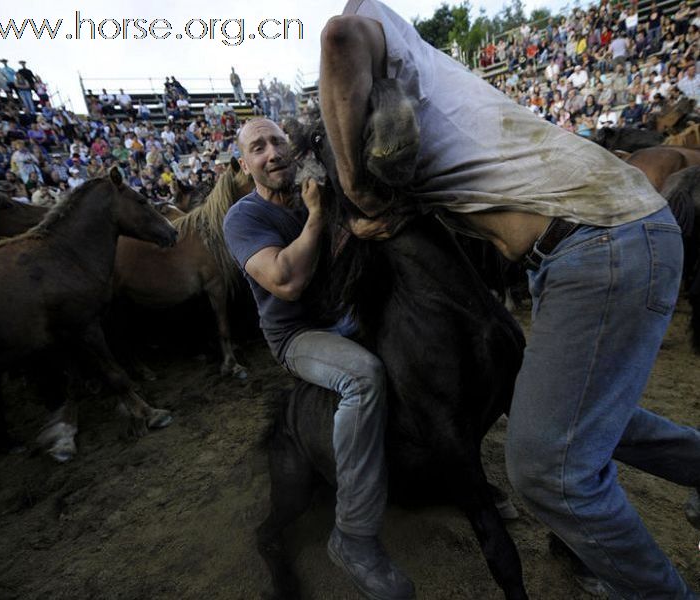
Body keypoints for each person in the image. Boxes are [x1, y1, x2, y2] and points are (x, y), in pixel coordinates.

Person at [319, 2, 700, 598]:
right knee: (588, 421)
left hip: (596, 239)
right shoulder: (416, 63)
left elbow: (339, 37)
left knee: (546, 471)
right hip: (596, 239)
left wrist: (356, 188)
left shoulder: (365, 24)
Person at [223, 118, 415, 600]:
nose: (271, 153)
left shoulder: (319, 193)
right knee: (363, 377)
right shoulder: (243, 218)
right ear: (245, 165)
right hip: (299, 336)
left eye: (276, 141)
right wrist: (314, 216)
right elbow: (285, 280)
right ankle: (353, 535)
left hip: (348, 315)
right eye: (258, 148)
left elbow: (359, 228)